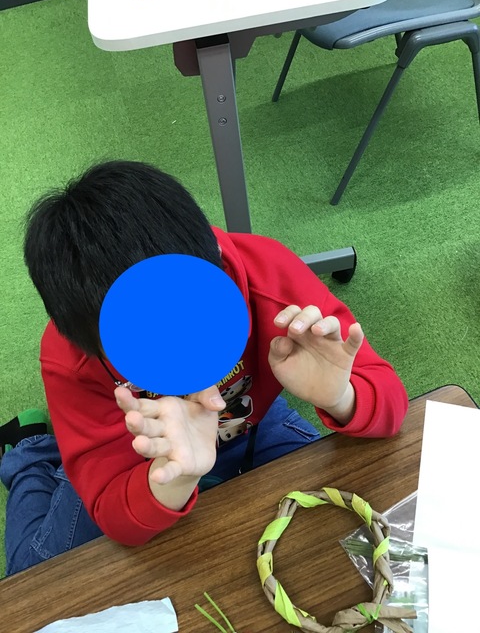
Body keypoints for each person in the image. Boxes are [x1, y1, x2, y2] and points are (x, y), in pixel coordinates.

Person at [0, 161, 408, 576]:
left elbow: (391, 405)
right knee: (34, 574)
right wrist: (175, 477)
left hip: (250, 421)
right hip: (135, 449)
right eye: (146, 346)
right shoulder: (71, 359)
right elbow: (112, 508)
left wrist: (342, 397)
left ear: (215, 262)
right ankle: (30, 453)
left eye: (195, 319)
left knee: (331, 522)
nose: (179, 351)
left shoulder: (266, 275)